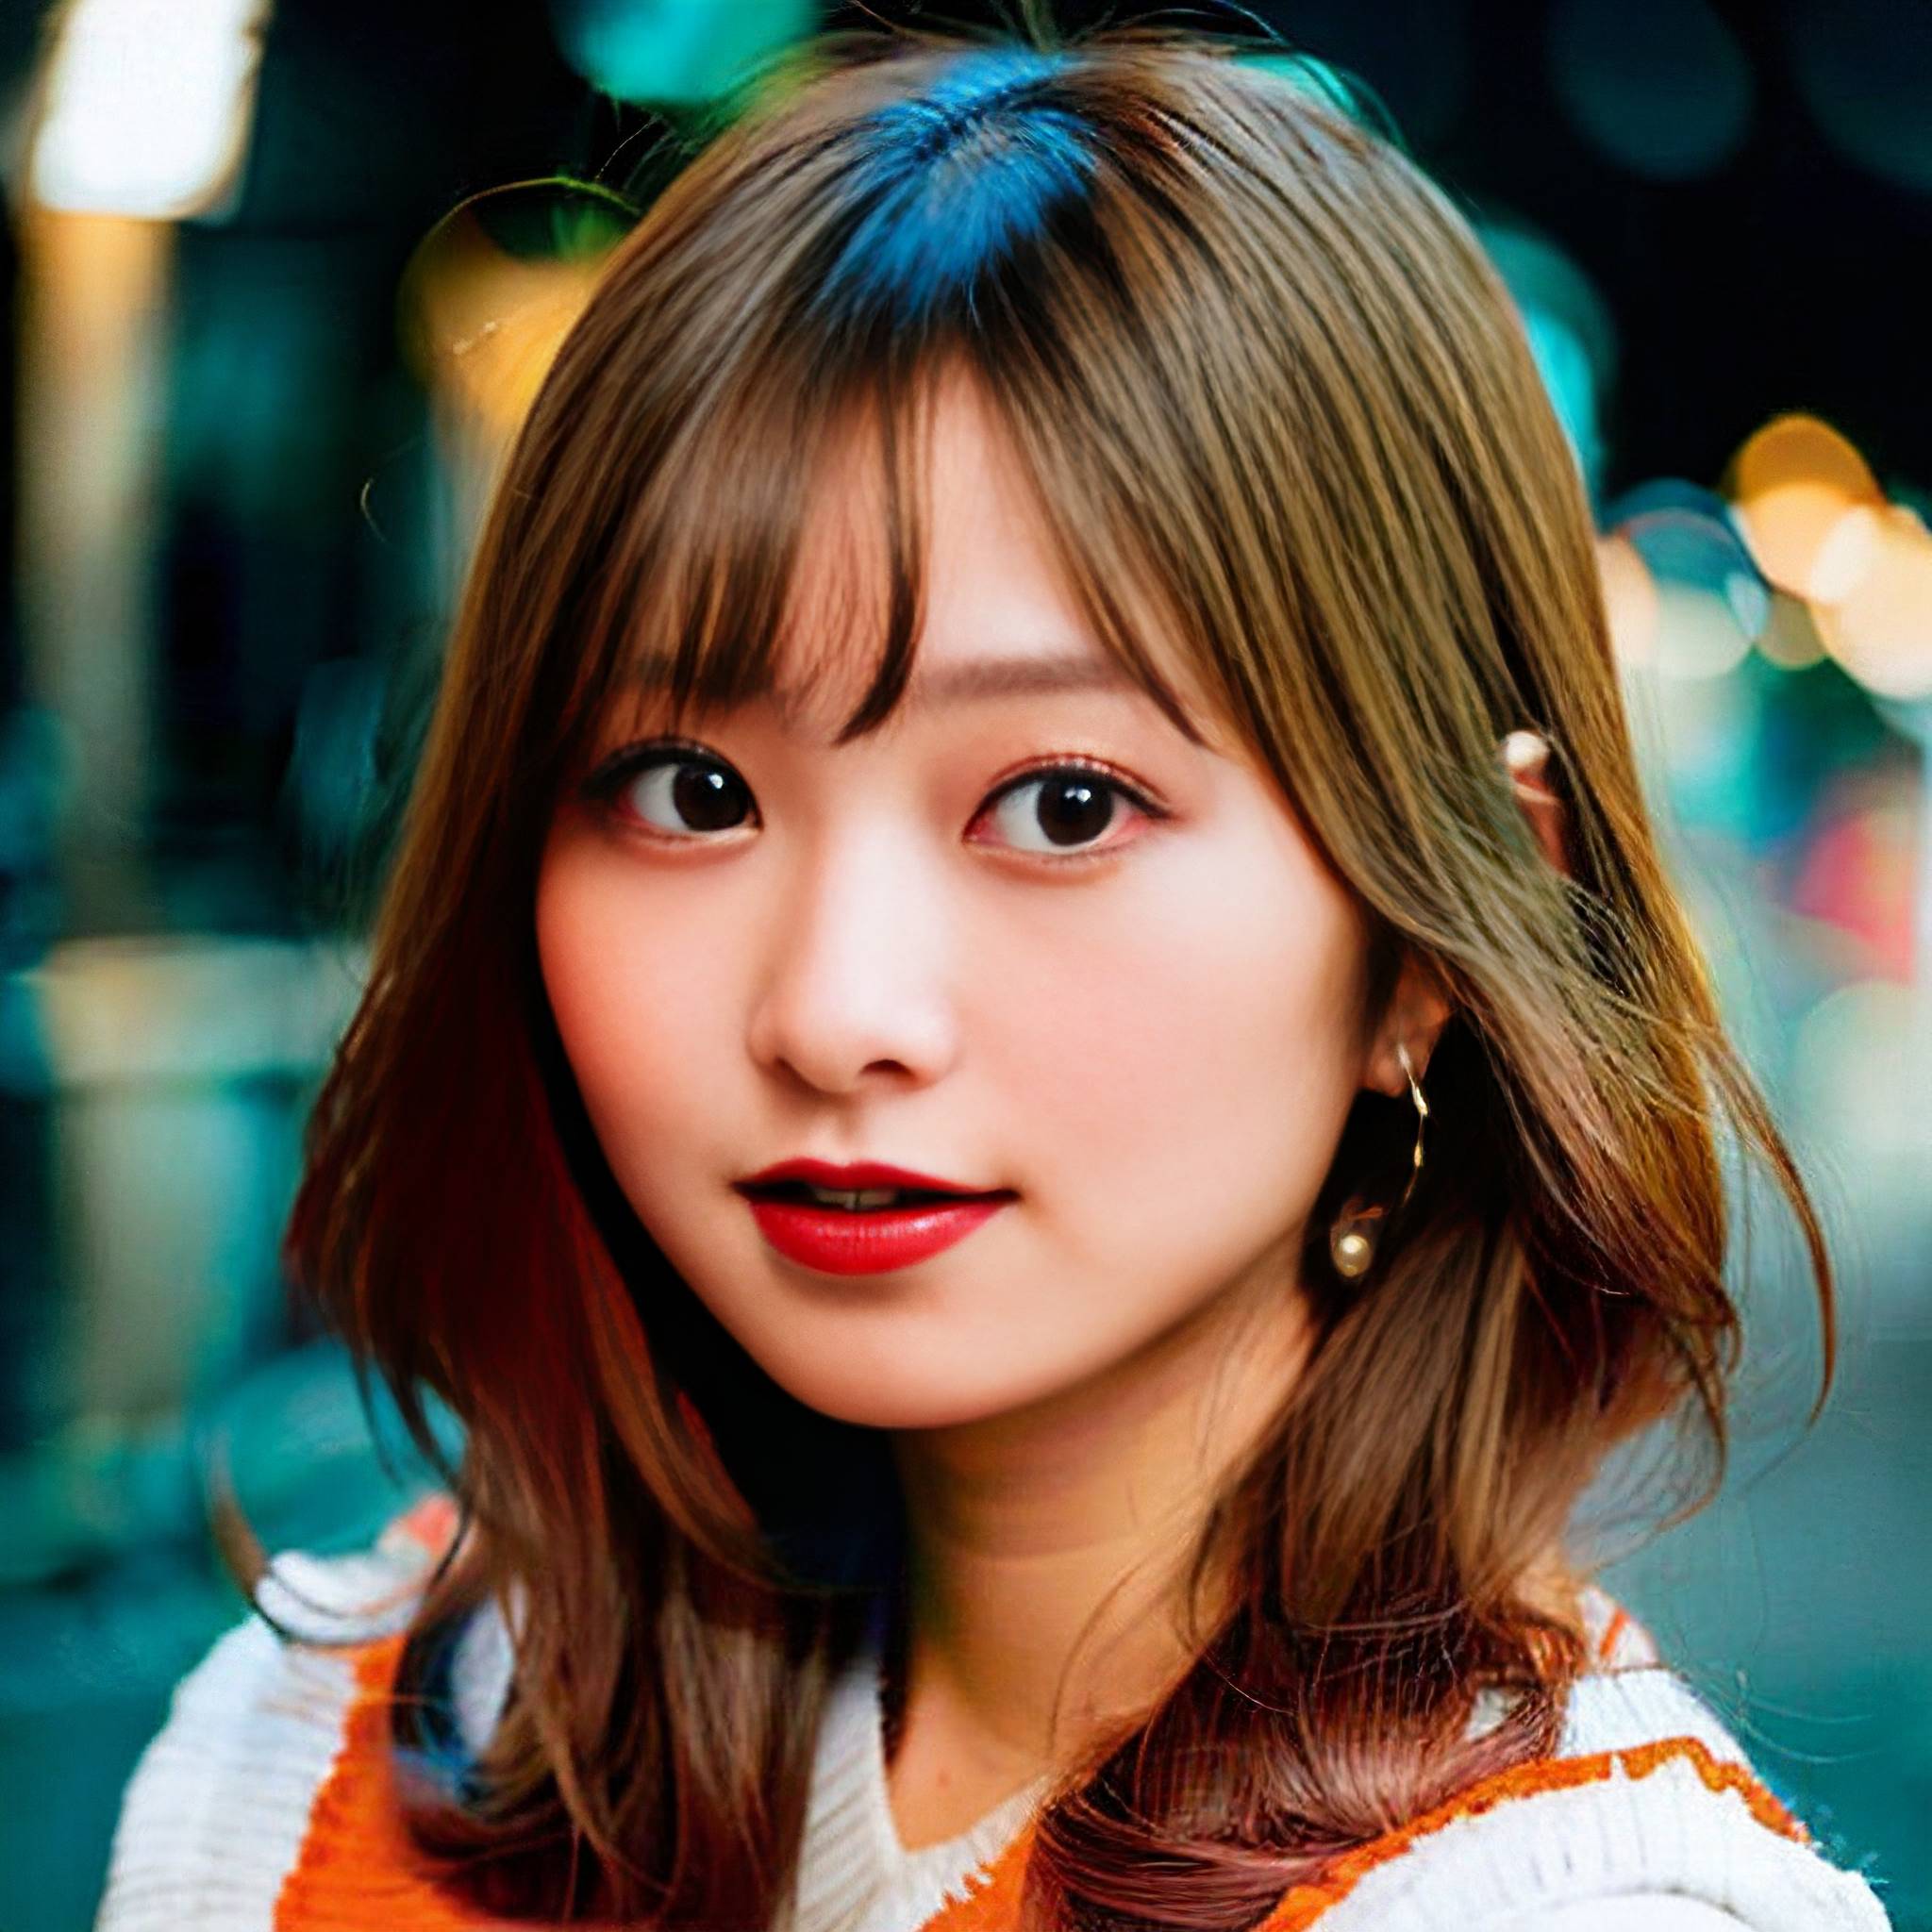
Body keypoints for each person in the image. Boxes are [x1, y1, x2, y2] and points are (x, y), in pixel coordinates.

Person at [97, 15, 1892, 1932]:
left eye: (1060, 805)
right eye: (690, 788)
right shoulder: (327, 1748)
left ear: (1439, 940)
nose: (835, 1010)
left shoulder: (1553, 1908)